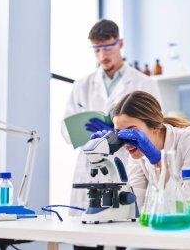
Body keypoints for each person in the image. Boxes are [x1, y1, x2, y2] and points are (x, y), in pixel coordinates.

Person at [61, 19, 161, 216]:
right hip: (90, 167)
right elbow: (65, 132)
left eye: (107, 48)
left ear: (120, 43)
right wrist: (85, 130)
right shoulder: (82, 85)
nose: (102, 55)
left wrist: (119, 134)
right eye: (96, 49)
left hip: (128, 163)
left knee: (123, 232)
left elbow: (156, 127)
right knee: (85, 238)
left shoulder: (145, 82)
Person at [92, 91, 190, 210]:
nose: (126, 140)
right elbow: (134, 203)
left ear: (155, 127)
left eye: (132, 131)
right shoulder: (138, 154)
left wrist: (158, 161)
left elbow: (189, 203)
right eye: (119, 132)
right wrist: (103, 158)